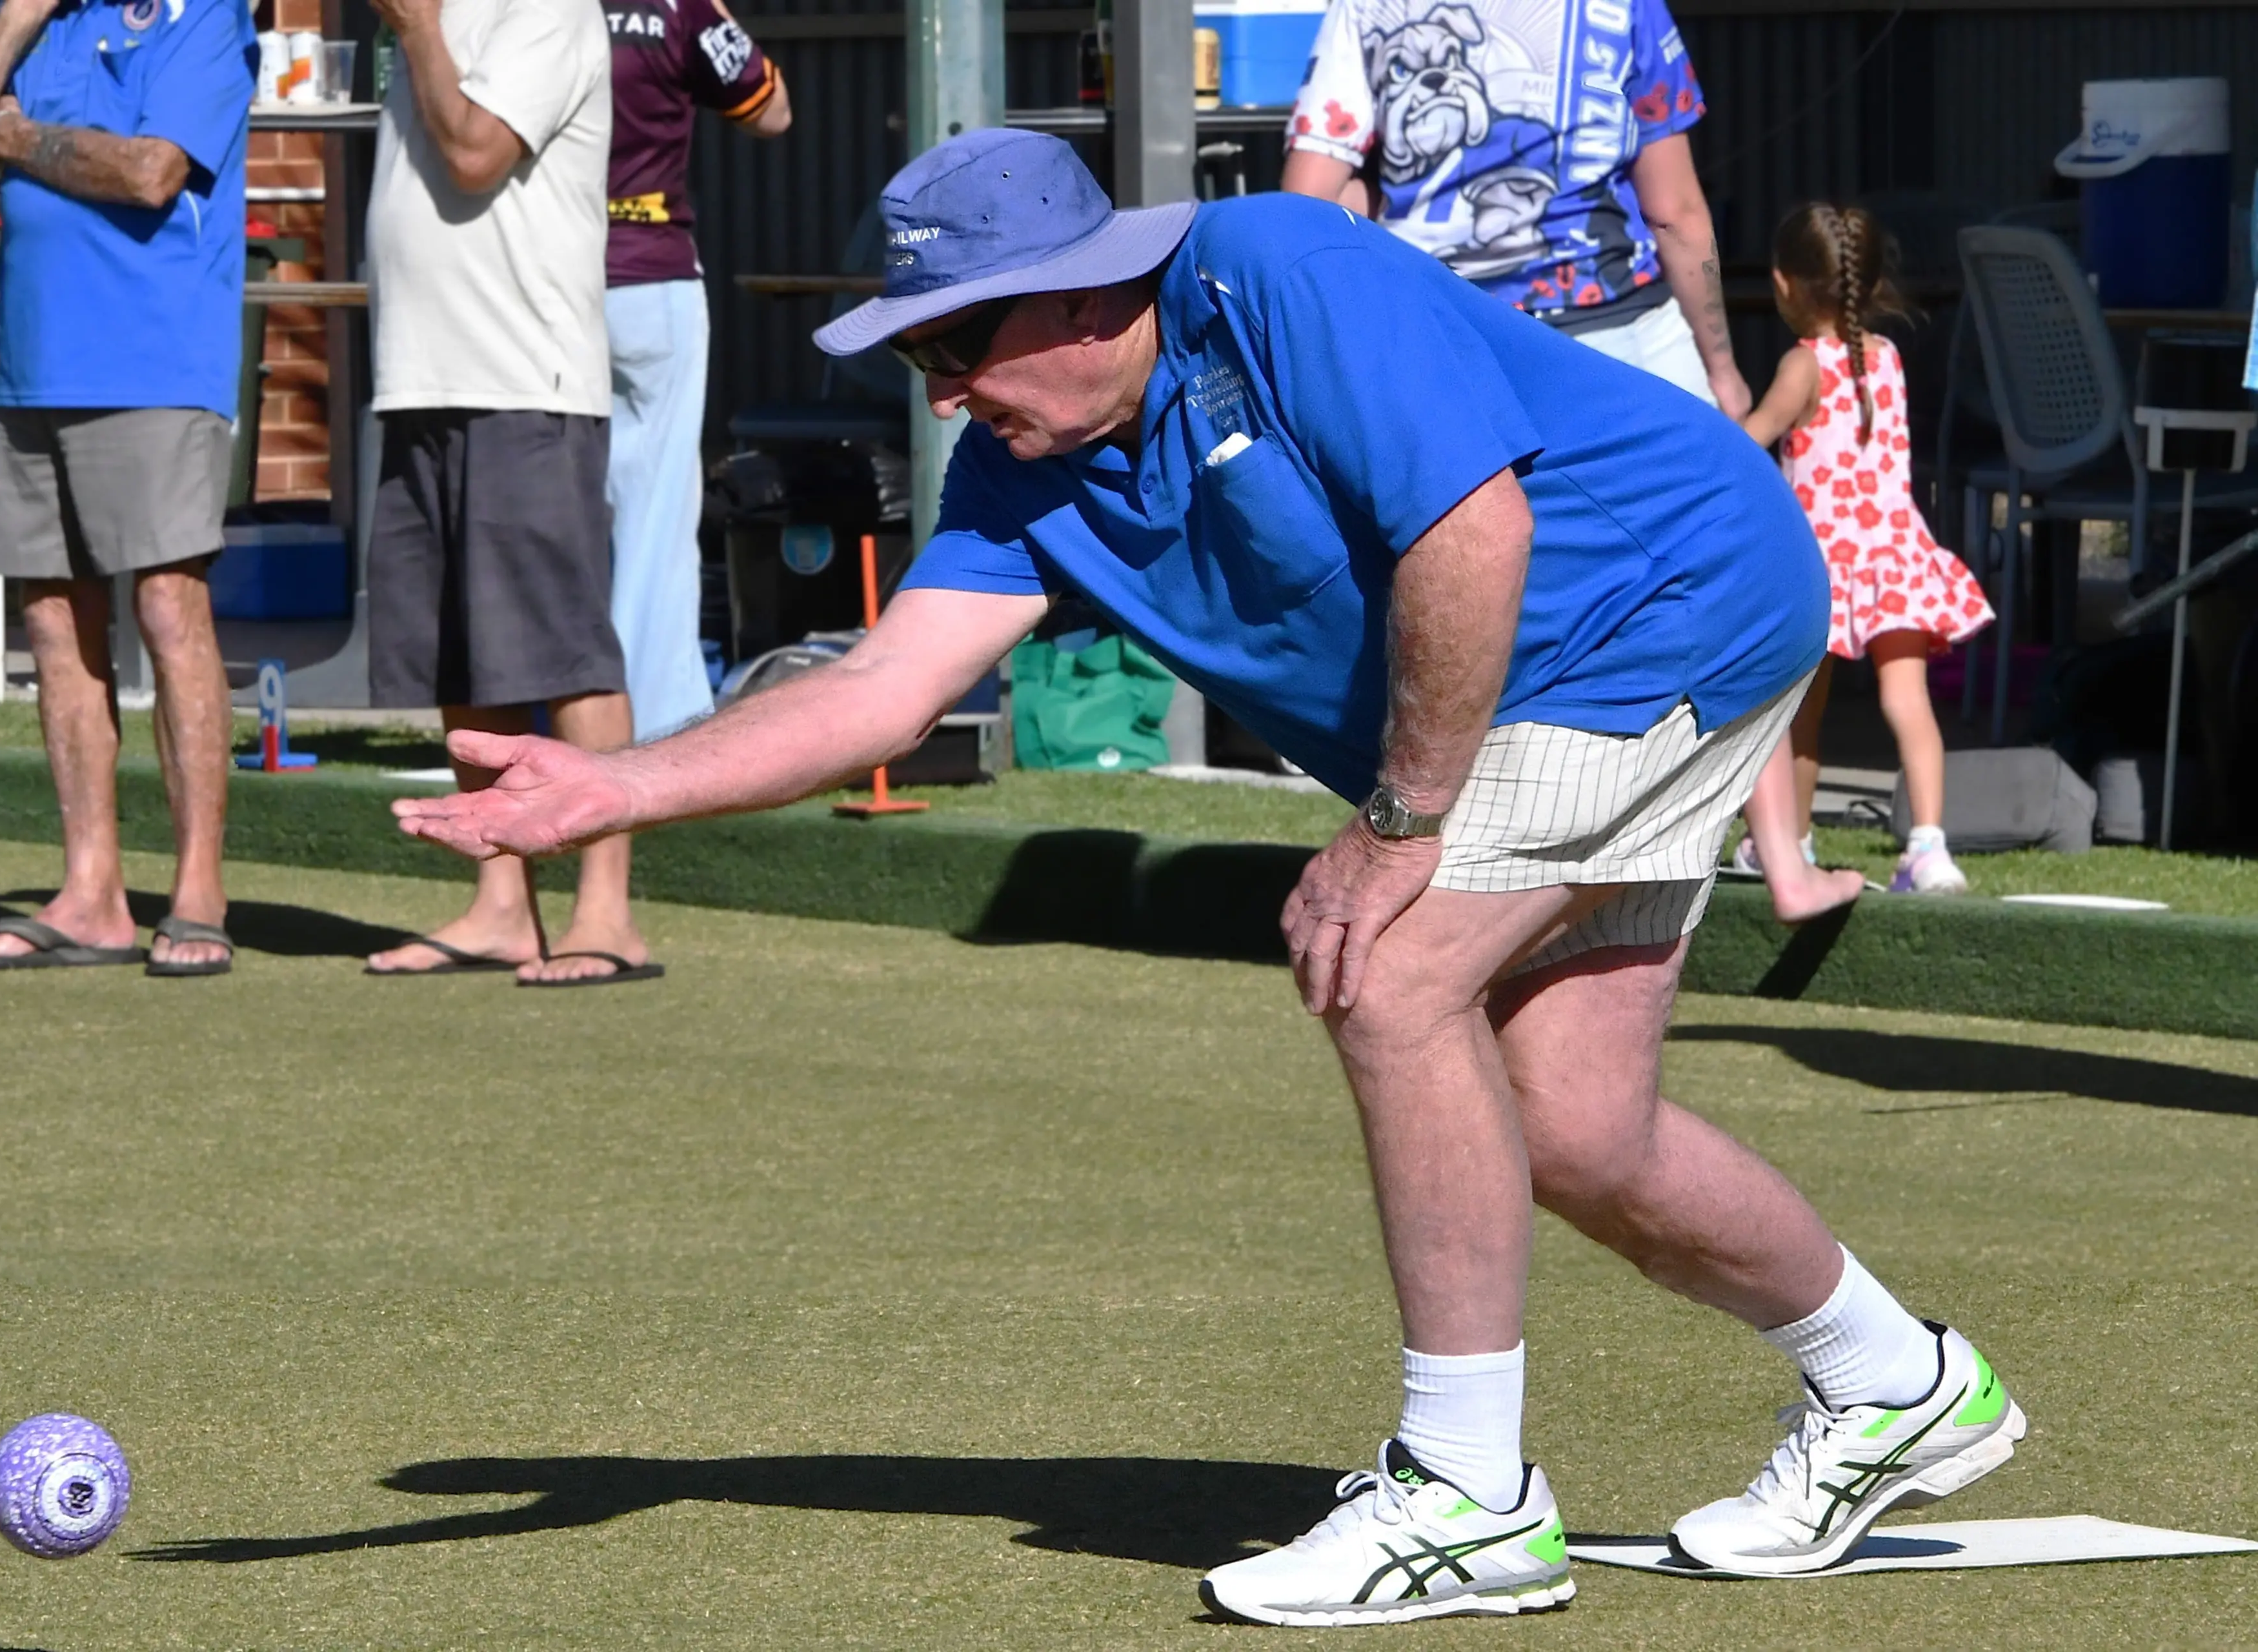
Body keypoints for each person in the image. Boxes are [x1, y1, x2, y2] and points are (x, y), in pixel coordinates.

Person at [392, 132, 2026, 1622]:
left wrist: (1393, 822)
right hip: (1578, 657)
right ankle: (1891, 1377)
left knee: (1386, 971)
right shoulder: (1019, 472)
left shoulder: (1280, 268)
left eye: (957, 340)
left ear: (1084, 294)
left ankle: (1464, 1495)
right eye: (918, 353)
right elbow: (878, 695)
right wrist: (615, 785)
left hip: (1656, 606)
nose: (944, 387)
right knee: (1581, 1128)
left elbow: (1474, 531)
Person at [1279, 0, 1865, 925]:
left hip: (1457, 339)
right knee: (1737, 571)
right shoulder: (1621, 6)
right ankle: (1783, 862)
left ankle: (1469, 855)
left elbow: (1309, 200)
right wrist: (1723, 375)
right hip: (1620, 331)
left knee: (1484, 588)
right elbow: (1673, 209)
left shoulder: (1367, 7)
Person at [0, 0, 257, 978]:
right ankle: (92, 892)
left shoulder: (201, 18)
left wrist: (15, 139)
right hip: (34, 369)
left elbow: (149, 173)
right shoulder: (36, 24)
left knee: (167, 608)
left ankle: (197, 893)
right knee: (56, 624)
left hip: (154, 364)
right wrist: (11, 26)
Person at [359, 0, 662, 987]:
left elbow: (476, 152)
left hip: (527, 383)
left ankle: (607, 915)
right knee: (465, 658)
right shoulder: (423, 20)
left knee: (565, 650)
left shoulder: (547, 11)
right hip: (421, 377)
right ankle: (502, 905)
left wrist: (416, 32)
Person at [1740, 203, 1993, 895]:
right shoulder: (1887, 358)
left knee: (1800, 715)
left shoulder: (1802, 365)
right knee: (1908, 702)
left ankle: (1788, 841)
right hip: (1896, 557)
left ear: (1784, 284)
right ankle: (1929, 848)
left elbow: (1749, 438)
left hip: (1821, 568)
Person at [602, 0, 791, 741]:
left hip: (538, 274)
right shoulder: (675, 6)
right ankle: (652, 722)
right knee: (655, 511)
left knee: (547, 502)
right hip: (649, 271)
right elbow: (770, 108)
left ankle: (546, 708)